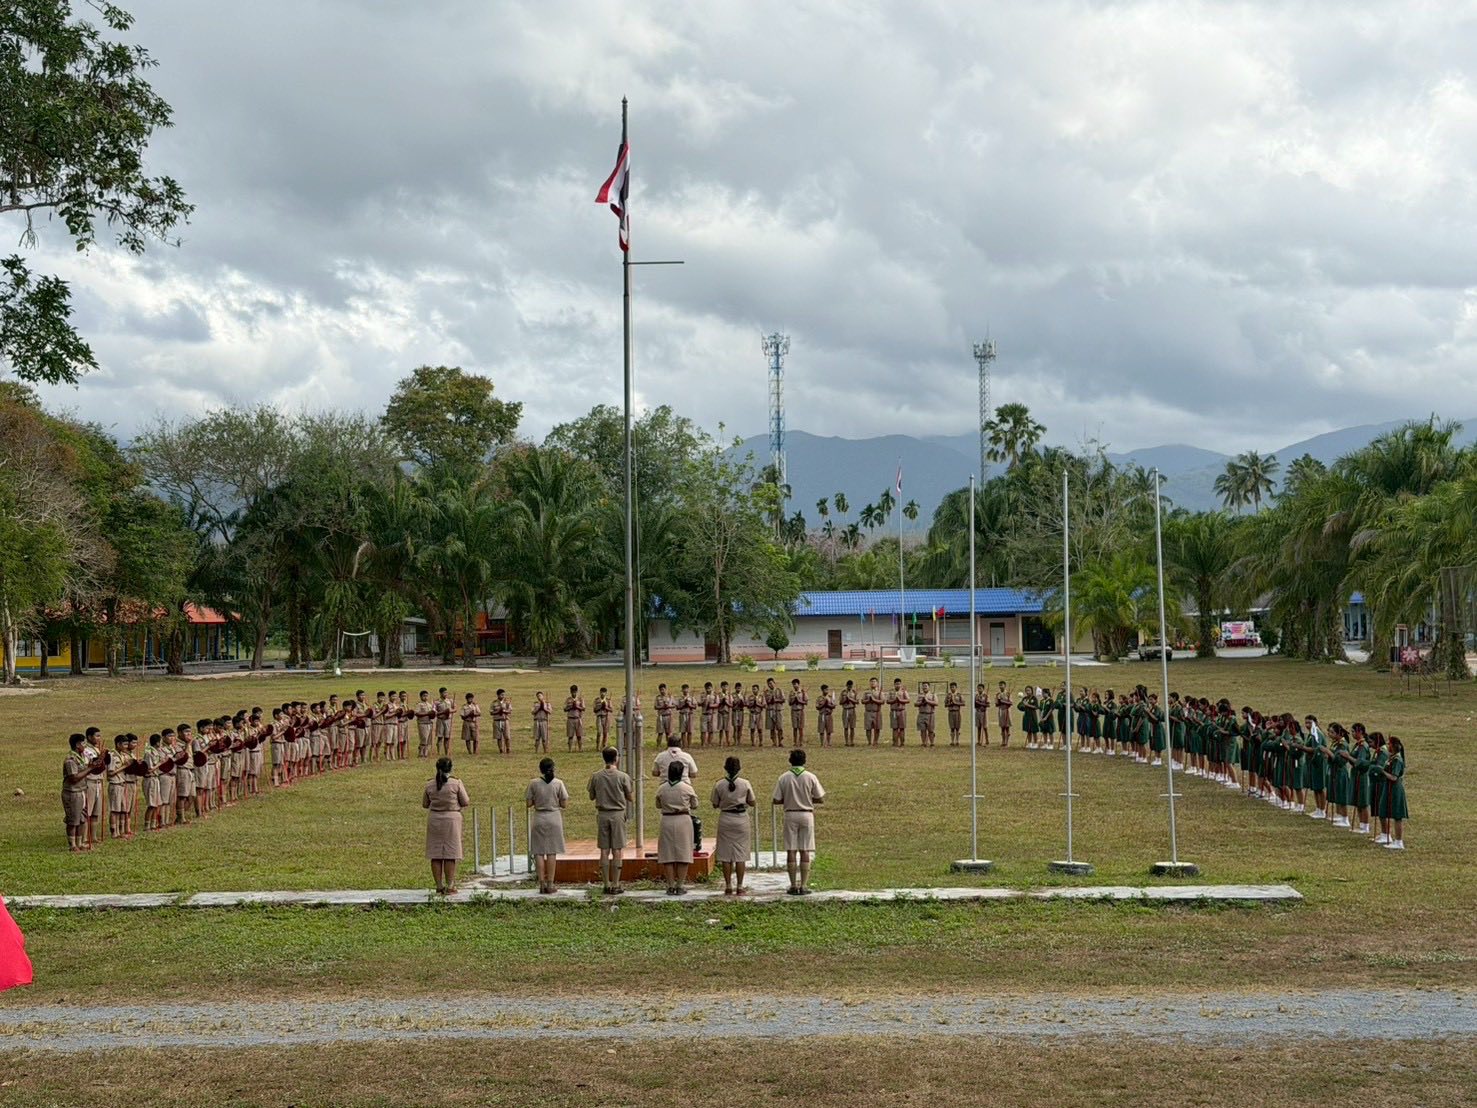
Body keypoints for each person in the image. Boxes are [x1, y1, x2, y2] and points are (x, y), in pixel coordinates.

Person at [772, 749, 825, 895]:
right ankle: (804, 885)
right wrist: (807, 799)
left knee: (791, 849)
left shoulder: (783, 777)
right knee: (805, 849)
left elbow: (776, 799)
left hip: (790, 814)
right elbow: (820, 798)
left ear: (790, 761)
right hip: (806, 814)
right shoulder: (810, 777)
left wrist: (789, 799)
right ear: (805, 761)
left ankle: (792, 885)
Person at [587, 747, 633, 894]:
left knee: (604, 850)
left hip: (602, 814)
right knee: (617, 849)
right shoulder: (622, 776)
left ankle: (606, 883)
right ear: (617, 758)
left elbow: (591, 796)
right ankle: (616, 883)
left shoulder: (596, 776)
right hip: (618, 814)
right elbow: (630, 797)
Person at [423, 756, 470, 895]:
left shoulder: (430, 784)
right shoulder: (456, 783)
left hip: (435, 819)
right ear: (451, 768)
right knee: (450, 853)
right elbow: (465, 801)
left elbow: (425, 804)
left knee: (436, 854)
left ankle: (438, 885)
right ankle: (450, 885)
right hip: (452, 820)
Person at [711, 755, 755, 895]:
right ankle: (740, 886)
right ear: (739, 768)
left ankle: (728, 885)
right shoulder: (745, 783)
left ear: (725, 768)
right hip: (741, 819)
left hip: (726, 818)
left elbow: (714, 803)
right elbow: (752, 801)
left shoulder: (719, 784)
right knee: (740, 855)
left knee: (725, 855)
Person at [525, 757, 568, 894]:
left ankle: (541, 884)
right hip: (554, 817)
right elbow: (564, 804)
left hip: (539, 817)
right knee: (551, 852)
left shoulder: (533, 783)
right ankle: (550, 883)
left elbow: (529, 803)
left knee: (538, 852)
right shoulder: (558, 783)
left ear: (540, 769)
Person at [656, 760, 698, 895]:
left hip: (667, 820)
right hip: (683, 820)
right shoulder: (687, 788)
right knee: (683, 853)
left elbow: (658, 805)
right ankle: (680, 885)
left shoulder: (662, 788)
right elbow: (695, 804)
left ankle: (670, 885)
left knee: (667, 854)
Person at [62, 734, 94, 852]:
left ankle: (80, 843)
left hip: (82, 790)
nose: (85, 746)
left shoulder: (81, 757)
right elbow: (74, 778)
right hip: (72, 792)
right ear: (77, 745)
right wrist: (90, 768)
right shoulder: (71, 760)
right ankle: (72, 844)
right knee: (73, 819)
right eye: (83, 743)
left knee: (82, 818)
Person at [1379, 736, 1408, 850]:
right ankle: (1386, 835)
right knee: (1383, 811)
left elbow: (1394, 777)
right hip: (1388, 787)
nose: (1387, 746)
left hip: (1395, 789)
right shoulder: (1391, 758)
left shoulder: (1397, 760)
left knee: (1397, 815)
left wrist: (1382, 772)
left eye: (1389, 744)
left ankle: (1399, 841)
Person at [887, 678, 910, 747]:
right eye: (896, 684)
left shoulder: (903, 692)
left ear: (901, 684)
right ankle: (895, 742)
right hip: (894, 711)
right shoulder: (891, 692)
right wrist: (894, 701)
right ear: (894, 684)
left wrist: (900, 700)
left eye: (899, 684)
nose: (898, 685)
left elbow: (908, 700)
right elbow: (887, 701)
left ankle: (902, 743)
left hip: (901, 711)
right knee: (894, 728)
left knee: (902, 728)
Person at [862, 677, 883, 747]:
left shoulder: (880, 692)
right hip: (868, 712)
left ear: (877, 683)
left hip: (877, 712)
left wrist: (874, 700)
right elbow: (862, 701)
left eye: (874, 681)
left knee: (877, 727)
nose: (873, 683)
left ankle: (875, 741)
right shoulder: (866, 692)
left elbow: (882, 701)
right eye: (871, 681)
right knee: (868, 728)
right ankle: (869, 741)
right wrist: (868, 700)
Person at [916, 681, 938, 748]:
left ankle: (932, 743)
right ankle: (924, 743)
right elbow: (915, 704)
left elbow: (936, 703)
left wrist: (927, 701)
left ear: (929, 687)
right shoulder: (920, 695)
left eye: (926, 686)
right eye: (923, 686)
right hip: (921, 714)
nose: (924, 687)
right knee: (922, 730)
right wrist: (921, 703)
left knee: (931, 730)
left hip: (930, 714)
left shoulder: (933, 695)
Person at [764, 678, 785, 746]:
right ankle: (774, 742)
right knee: (771, 727)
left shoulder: (779, 690)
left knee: (779, 727)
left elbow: (783, 700)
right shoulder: (767, 692)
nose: (770, 685)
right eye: (768, 684)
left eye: (771, 683)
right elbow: (765, 701)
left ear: (774, 683)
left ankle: (780, 741)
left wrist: (776, 700)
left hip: (778, 710)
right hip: (770, 710)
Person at [788, 678, 808, 746]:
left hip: (800, 710)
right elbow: (789, 703)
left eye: (795, 684)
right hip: (794, 710)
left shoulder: (802, 692)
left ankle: (800, 741)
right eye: (793, 684)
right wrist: (793, 700)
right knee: (794, 727)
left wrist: (799, 701)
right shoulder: (791, 693)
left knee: (801, 727)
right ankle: (795, 742)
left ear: (798, 684)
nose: (794, 686)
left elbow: (806, 702)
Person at [565, 685, 585, 752]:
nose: (573, 693)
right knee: (570, 735)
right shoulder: (568, 699)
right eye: (572, 692)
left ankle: (580, 749)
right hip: (570, 718)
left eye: (575, 692)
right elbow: (565, 709)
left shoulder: (580, 699)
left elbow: (583, 708)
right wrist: (571, 707)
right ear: (570, 692)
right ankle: (570, 749)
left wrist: (577, 707)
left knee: (579, 735)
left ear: (577, 692)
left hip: (578, 718)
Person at [415, 691, 435, 758]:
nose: (425, 697)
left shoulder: (430, 705)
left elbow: (433, 713)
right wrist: (427, 713)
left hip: (429, 723)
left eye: (426, 696)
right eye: (424, 696)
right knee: (424, 738)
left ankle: (426, 753)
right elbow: (417, 713)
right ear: (421, 697)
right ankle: (421, 753)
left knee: (428, 739)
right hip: (422, 723)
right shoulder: (419, 704)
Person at [840, 679, 859, 746]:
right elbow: (840, 702)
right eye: (848, 686)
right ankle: (846, 742)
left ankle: (852, 741)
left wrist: (850, 699)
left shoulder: (854, 692)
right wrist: (845, 699)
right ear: (846, 685)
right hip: (845, 710)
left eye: (851, 686)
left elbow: (857, 702)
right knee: (845, 727)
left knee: (852, 727)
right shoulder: (843, 692)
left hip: (852, 709)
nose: (849, 687)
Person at [995, 682, 1012, 747]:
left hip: (1007, 711)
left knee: (1007, 726)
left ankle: (1007, 742)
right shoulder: (998, 694)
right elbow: (996, 704)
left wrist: (1003, 701)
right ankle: (1003, 741)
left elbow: (1010, 703)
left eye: (1002, 685)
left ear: (1005, 686)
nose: (1000, 686)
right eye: (999, 685)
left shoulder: (1008, 694)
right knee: (1002, 727)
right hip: (1001, 711)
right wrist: (998, 701)